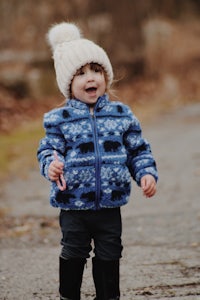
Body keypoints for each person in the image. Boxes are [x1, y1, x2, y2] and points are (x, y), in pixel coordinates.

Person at [37, 22, 158, 300]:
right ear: (68, 83)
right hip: (73, 205)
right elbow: (47, 151)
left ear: (106, 76)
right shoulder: (59, 120)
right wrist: (51, 166)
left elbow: (138, 150)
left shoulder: (121, 115)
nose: (90, 77)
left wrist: (145, 174)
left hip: (110, 204)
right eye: (80, 73)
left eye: (96, 70)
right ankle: (69, 295)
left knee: (110, 252)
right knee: (74, 251)